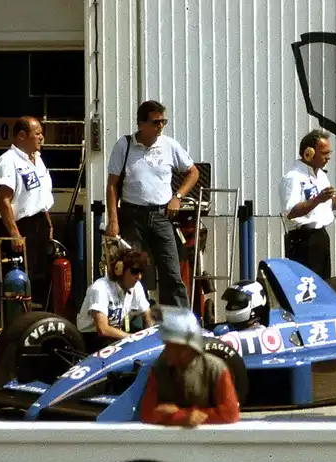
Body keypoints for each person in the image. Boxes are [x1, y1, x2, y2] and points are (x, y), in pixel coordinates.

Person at [104, 100, 199, 308]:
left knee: (171, 272)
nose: (160, 127)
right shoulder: (124, 145)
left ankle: (180, 328)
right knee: (134, 271)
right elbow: (112, 185)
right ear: (141, 124)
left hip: (162, 215)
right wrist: (113, 220)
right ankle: (138, 323)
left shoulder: (169, 145)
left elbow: (193, 172)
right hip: (131, 215)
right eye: (156, 122)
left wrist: (178, 196)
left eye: (163, 121)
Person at [139, 306, 240, 426]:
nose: (165, 352)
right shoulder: (159, 369)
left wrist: (182, 414)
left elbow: (230, 413)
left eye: (170, 346)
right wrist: (184, 417)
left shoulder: (215, 368)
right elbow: (147, 413)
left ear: (185, 348)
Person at [279, 129, 336, 280]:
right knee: (306, 287)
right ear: (309, 153)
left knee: (323, 285)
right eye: (324, 153)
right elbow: (291, 212)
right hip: (303, 239)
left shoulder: (321, 175)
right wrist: (317, 200)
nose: (328, 157)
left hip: (320, 237)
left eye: (329, 152)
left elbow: (329, 206)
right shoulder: (293, 178)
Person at [0, 116, 54, 309]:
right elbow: (4, 200)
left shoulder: (37, 160)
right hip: (21, 227)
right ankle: (19, 322)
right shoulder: (8, 161)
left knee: (41, 277)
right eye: (37, 134)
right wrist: (14, 234)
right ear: (21, 135)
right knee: (21, 279)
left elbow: (41, 197)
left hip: (40, 223)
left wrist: (49, 224)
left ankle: (37, 318)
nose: (41, 137)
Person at [76, 248, 155, 353]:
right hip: (93, 338)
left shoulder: (136, 286)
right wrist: (132, 339)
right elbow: (102, 329)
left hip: (116, 332)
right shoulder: (100, 288)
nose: (139, 277)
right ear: (120, 270)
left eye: (141, 272)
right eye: (135, 271)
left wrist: (149, 337)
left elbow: (147, 313)